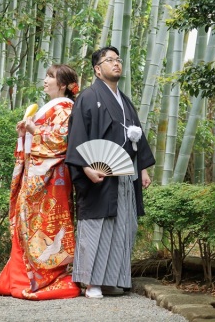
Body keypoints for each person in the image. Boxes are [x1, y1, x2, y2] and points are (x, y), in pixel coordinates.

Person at [65, 46, 155, 299]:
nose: (116, 63)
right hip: (98, 173)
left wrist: (143, 168)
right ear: (97, 69)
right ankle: (90, 282)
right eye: (109, 60)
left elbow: (137, 137)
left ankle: (110, 280)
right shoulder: (88, 97)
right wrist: (85, 167)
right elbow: (77, 136)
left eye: (118, 59)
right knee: (97, 225)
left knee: (123, 225)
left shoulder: (124, 101)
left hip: (126, 174)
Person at [0, 64, 81, 300]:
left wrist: (34, 130)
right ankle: (22, 276)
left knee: (48, 225)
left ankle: (48, 276)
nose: (45, 80)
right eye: (47, 75)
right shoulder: (52, 107)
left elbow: (61, 142)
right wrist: (25, 133)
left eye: (51, 76)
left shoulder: (67, 108)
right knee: (26, 221)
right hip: (37, 173)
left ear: (63, 85)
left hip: (53, 178)